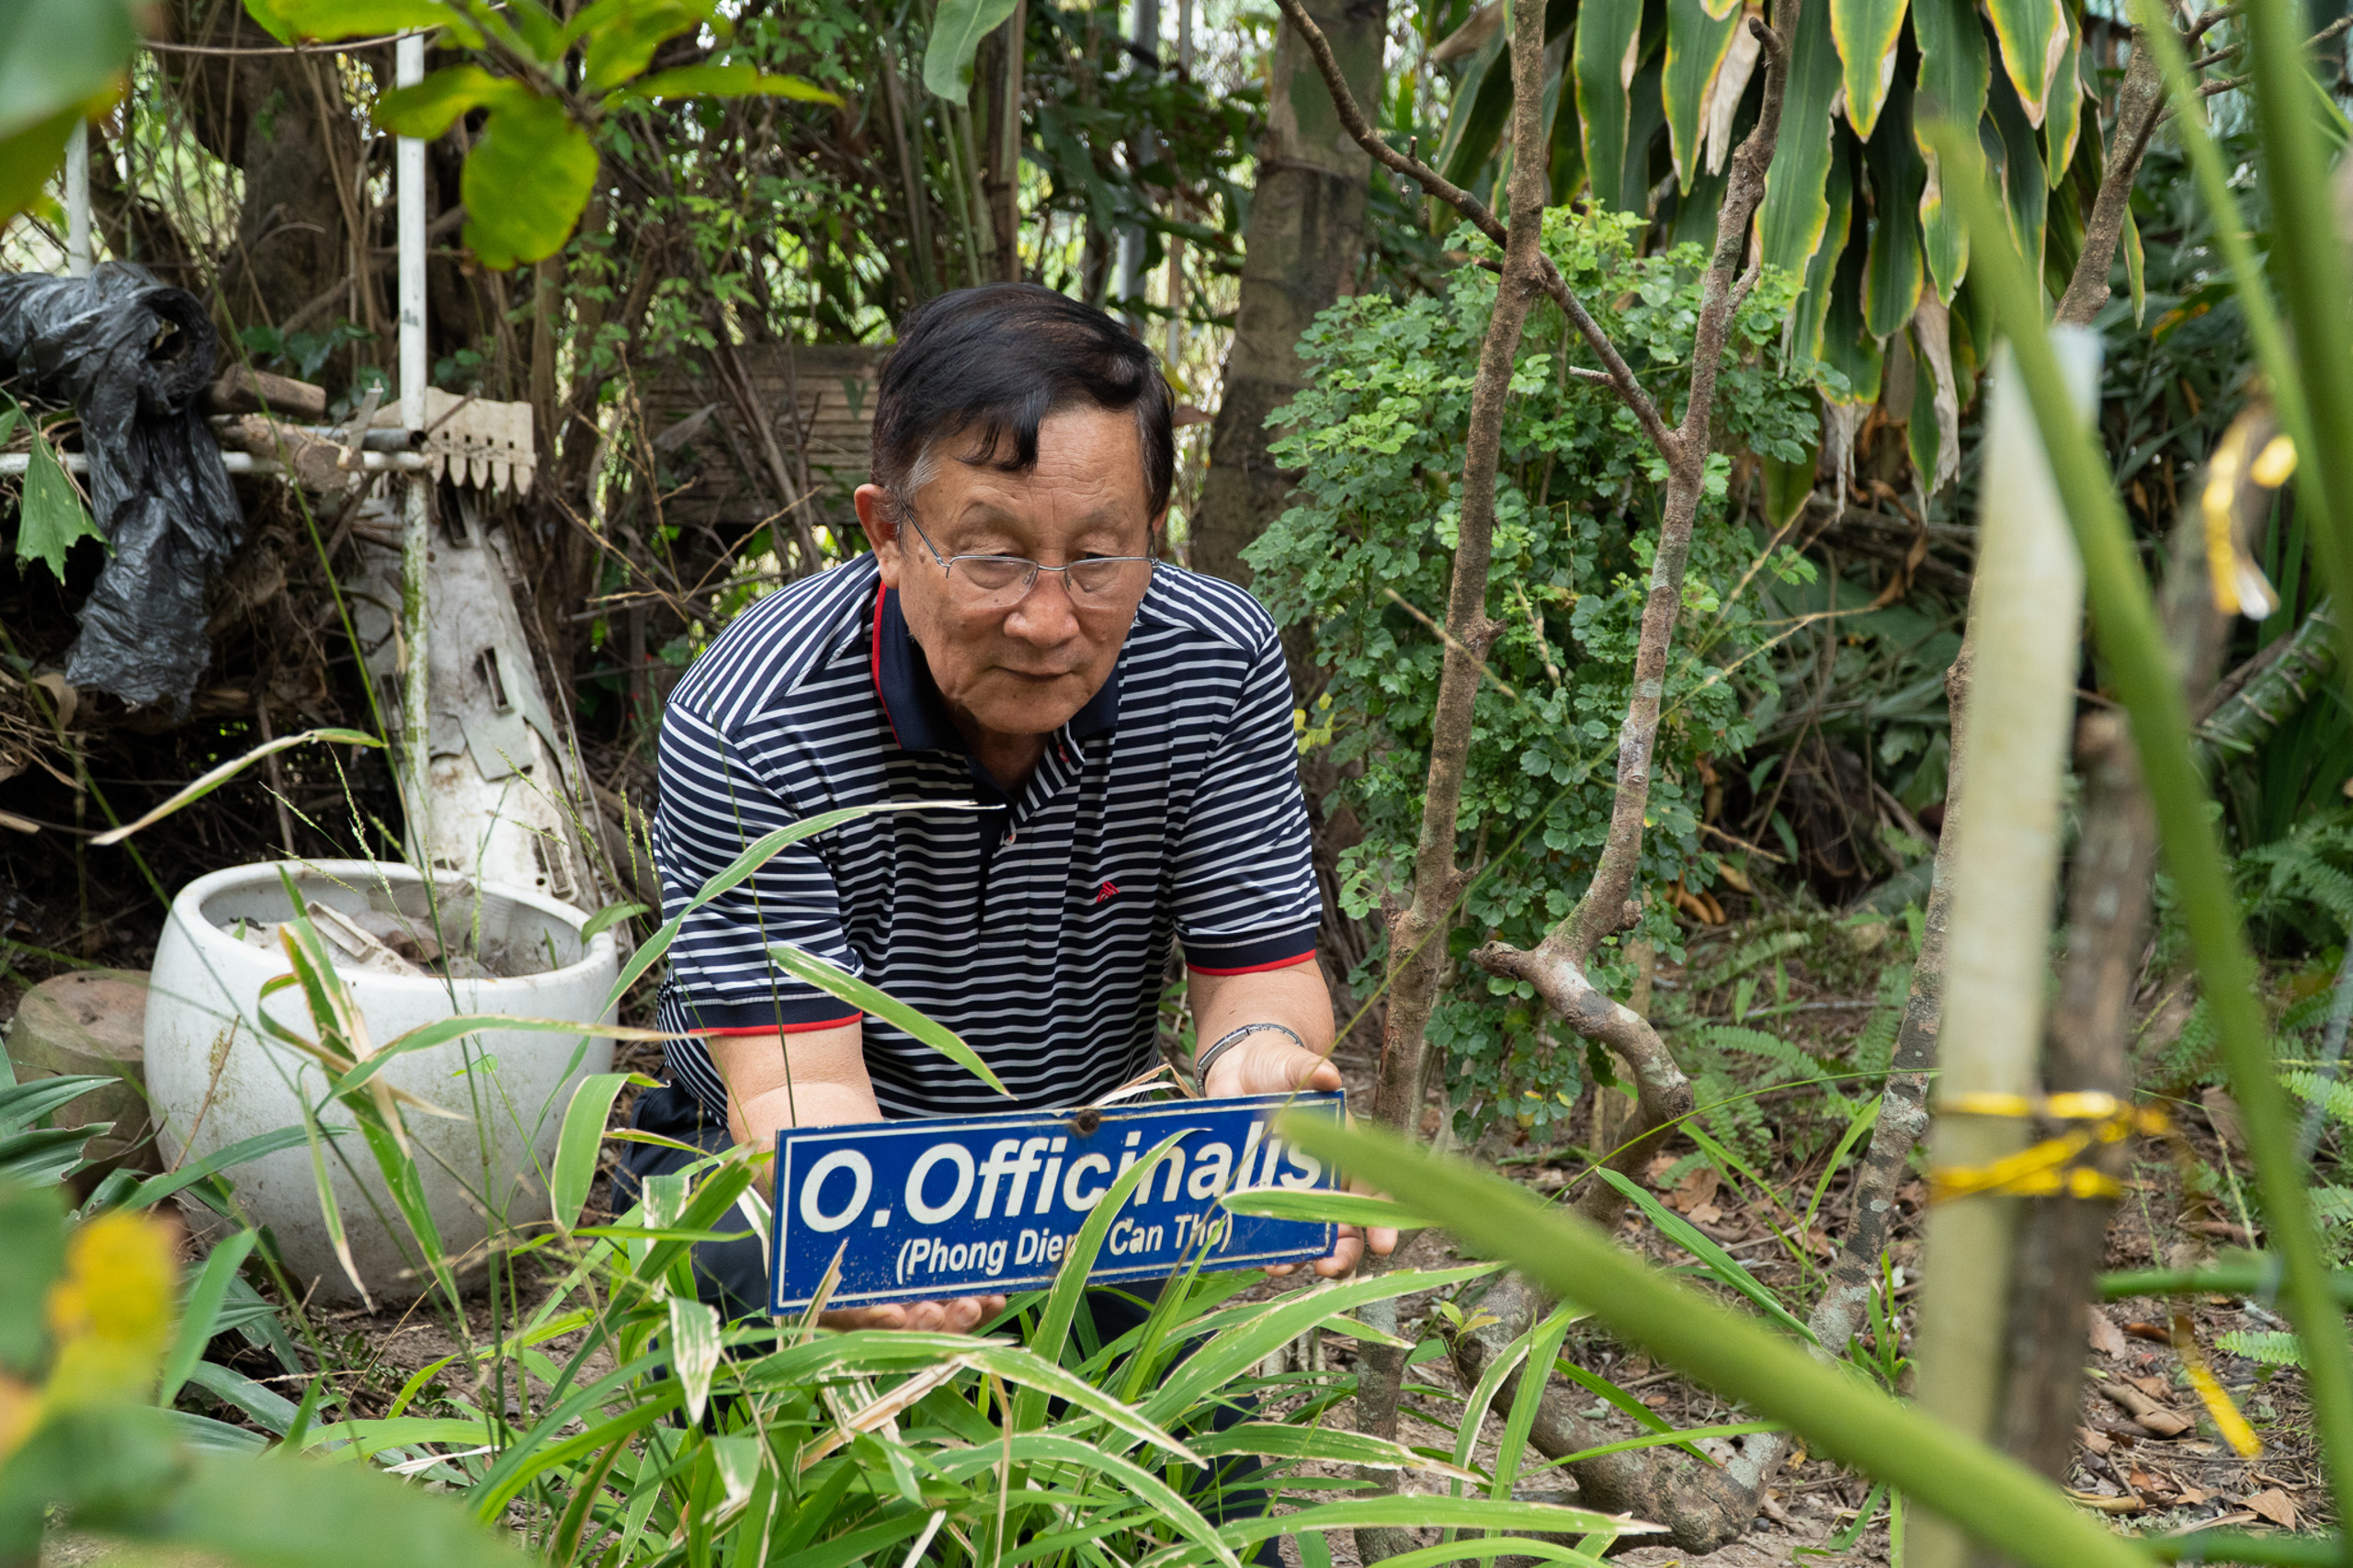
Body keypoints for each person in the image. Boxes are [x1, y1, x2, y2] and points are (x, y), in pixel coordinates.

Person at [616, 282, 1394, 1329]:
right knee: (795, 1399)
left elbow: (1254, 978)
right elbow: (792, 1092)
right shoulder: (756, 715)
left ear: (1154, 532)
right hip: (782, 1164)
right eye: (993, 555)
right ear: (888, 531)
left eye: (1097, 557)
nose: (1044, 618)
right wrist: (882, 1239)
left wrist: (1267, 1075)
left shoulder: (1216, 661)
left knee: (1191, 1469)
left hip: (1070, 1157)